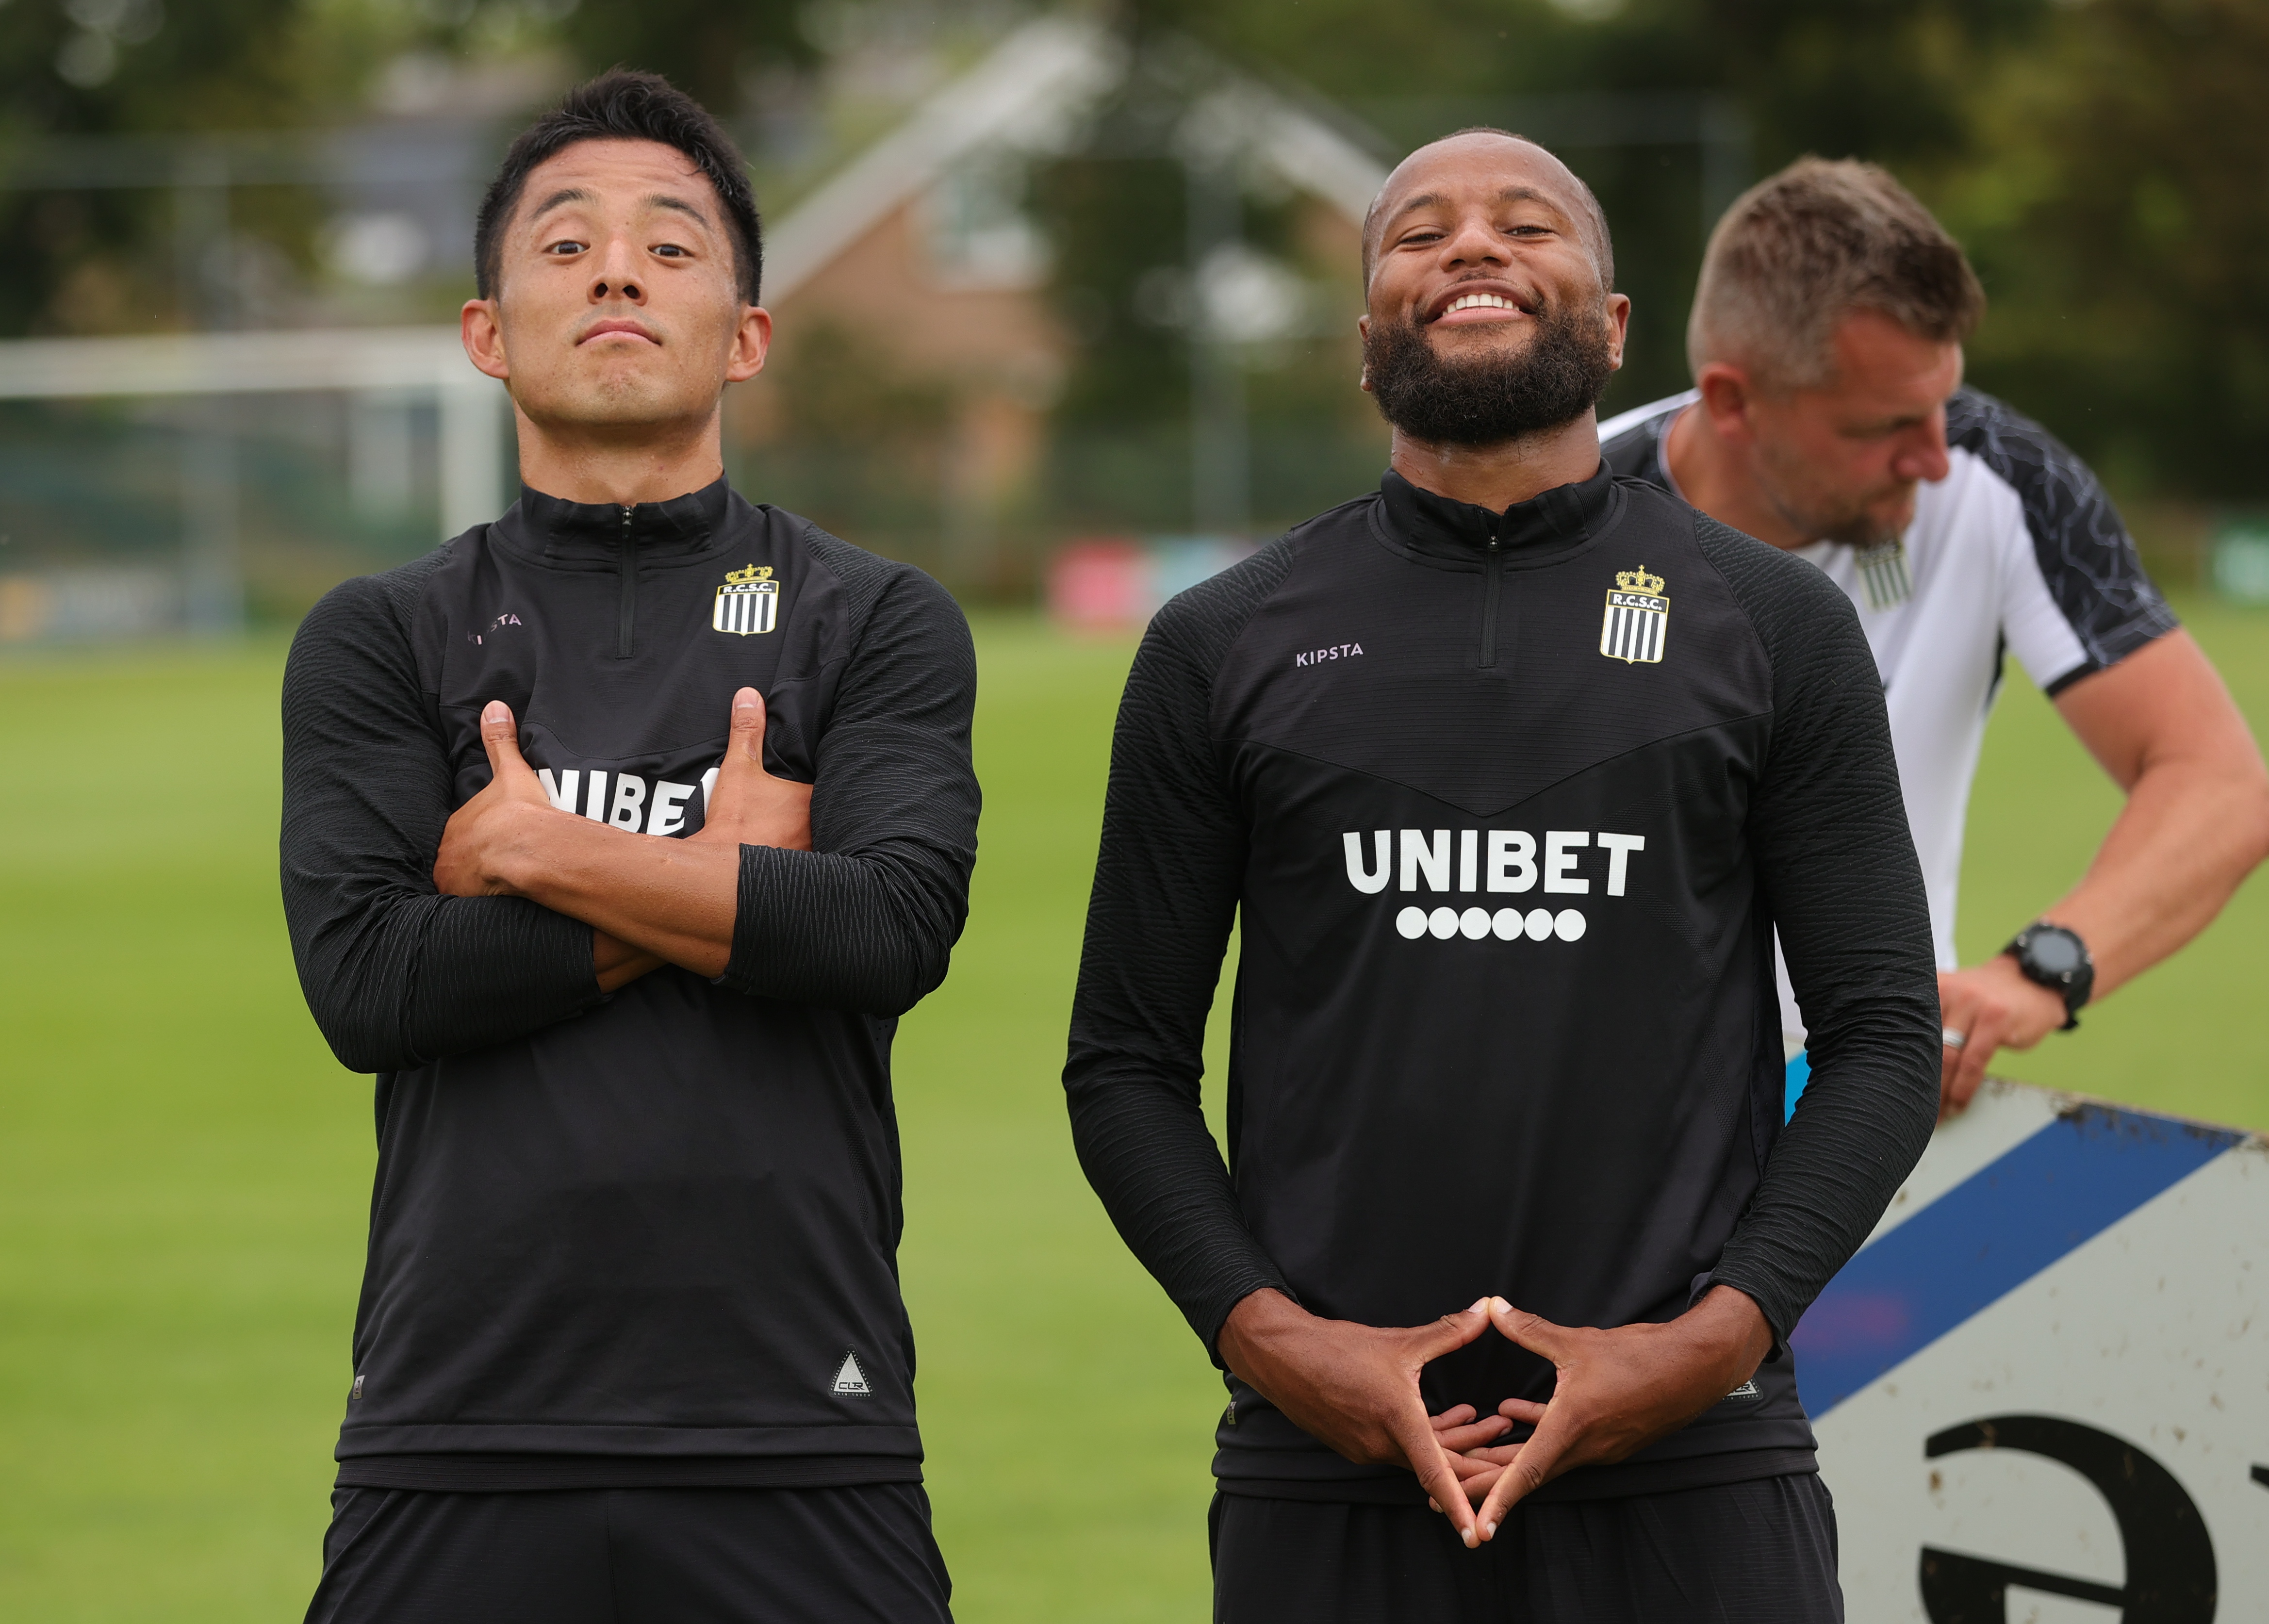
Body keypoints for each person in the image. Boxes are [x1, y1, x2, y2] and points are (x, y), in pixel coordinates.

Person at [1064, 127, 1940, 1622]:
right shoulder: (1220, 643)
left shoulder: (1773, 626)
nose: (1469, 246)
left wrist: (1710, 1343)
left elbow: (1881, 1034)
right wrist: (1274, 1343)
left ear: (1607, 328)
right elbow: (1124, 1063)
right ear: (1364, 343)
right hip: (1328, 1469)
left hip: (1695, 1466)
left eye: (1525, 224)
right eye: (1416, 234)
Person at [280, 71, 977, 1624]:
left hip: (802, 1417)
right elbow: (370, 988)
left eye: (669, 248)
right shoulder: (381, 636)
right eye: (565, 244)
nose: (612, 271)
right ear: (487, 332)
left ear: (744, 336)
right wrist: (734, 887)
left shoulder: (873, 618)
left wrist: (537, 850)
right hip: (455, 1421)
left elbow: (885, 931)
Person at [1599, 158, 2269, 1116]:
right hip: (1598, 1135)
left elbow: (2219, 784)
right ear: (1734, 401)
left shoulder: (2002, 480)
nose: (1933, 454)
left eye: (1942, 405)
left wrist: (2037, 973)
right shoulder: (1566, 503)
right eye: (1885, 425)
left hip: (1862, 1116)